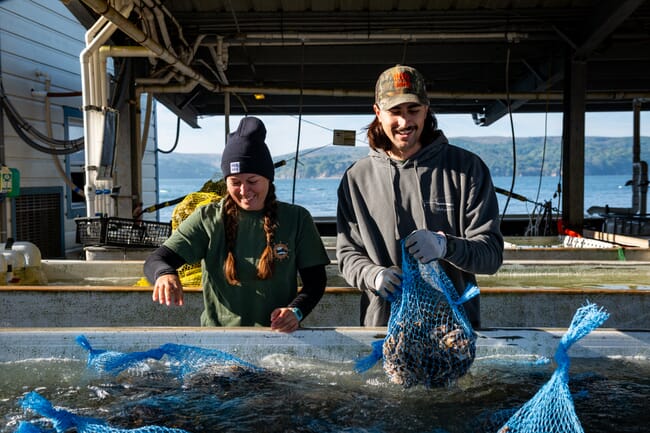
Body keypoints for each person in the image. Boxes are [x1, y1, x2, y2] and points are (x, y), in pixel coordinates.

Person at [336, 65, 504, 328]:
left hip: (454, 332)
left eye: (413, 110)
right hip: (383, 331)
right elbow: (347, 254)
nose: (405, 122)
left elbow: (491, 256)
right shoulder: (356, 178)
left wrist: (445, 245)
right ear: (378, 113)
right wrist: (373, 275)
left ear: (426, 109)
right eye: (395, 112)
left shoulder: (468, 169)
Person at [144, 116, 330, 333]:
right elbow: (157, 260)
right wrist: (164, 274)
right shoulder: (207, 218)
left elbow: (316, 281)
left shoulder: (296, 219)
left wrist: (296, 311)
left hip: (278, 337)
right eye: (235, 182)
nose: (244, 191)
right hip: (219, 339)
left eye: (252, 181)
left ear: (268, 179)